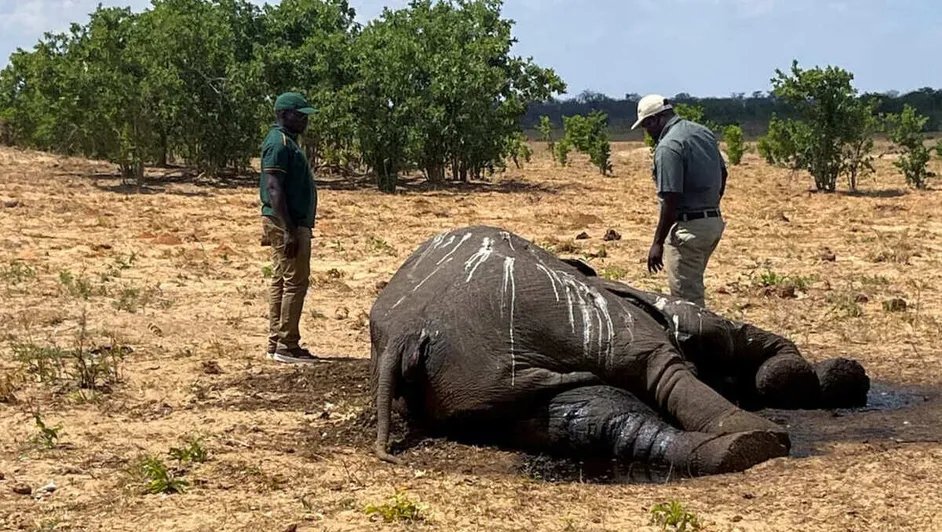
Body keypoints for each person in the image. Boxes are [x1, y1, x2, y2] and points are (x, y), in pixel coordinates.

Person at [631, 94, 728, 308]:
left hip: (688, 231)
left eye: (647, 126)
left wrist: (657, 243)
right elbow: (723, 173)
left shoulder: (668, 146)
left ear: (656, 120)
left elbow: (671, 199)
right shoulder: (702, 132)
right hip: (712, 223)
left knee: (687, 304)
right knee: (694, 287)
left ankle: (699, 341)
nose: (648, 132)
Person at [259, 92, 319, 363]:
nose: (304, 120)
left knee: (282, 280)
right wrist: (288, 229)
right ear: (283, 115)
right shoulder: (279, 144)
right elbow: (273, 187)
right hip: (287, 223)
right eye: (299, 114)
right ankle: (287, 345)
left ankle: (278, 343)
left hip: (288, 222)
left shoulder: (288, 142)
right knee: (295, 282)